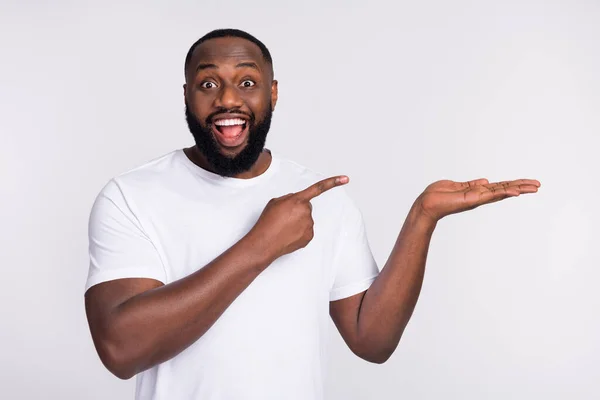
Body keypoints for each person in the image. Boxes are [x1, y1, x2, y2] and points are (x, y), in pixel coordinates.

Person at [84, 28, 541, 399]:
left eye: (247, 82)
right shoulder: (132, 196)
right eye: (208, 84)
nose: (227, 99)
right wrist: (260, 247)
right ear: (187, 96)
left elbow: (371, 340)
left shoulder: (322, 199)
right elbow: (121, 349)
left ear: (273, 93)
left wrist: (422, 218)